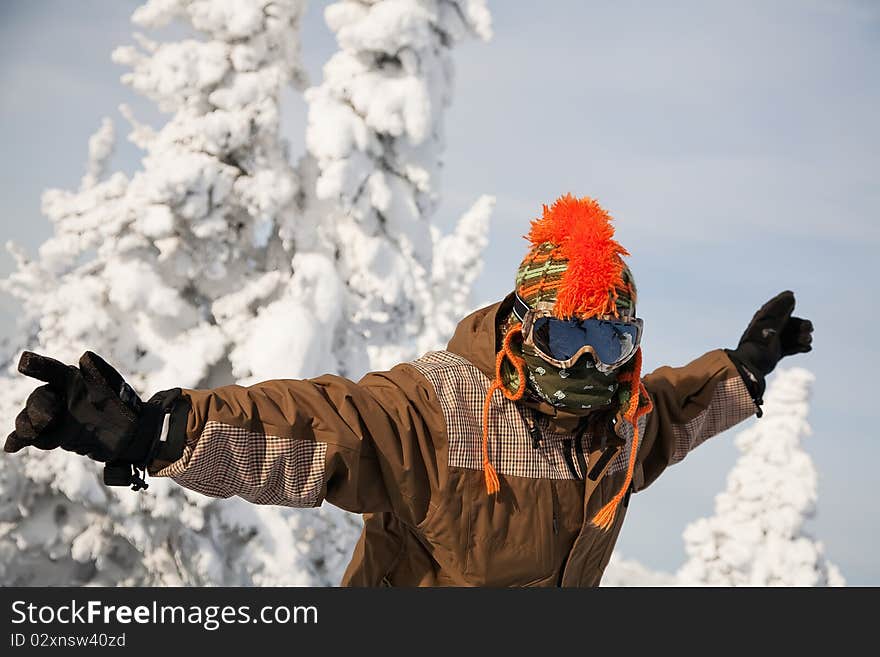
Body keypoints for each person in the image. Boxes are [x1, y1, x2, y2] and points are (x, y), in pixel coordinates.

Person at [4, 194, 813, 587]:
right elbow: (320, 426)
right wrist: (163, 434)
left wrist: (741, 369)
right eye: (569, 335)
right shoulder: (439, 410)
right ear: (521, 329)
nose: (593, 366)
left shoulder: (616, 424)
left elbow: (667, 413)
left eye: (613, 340)